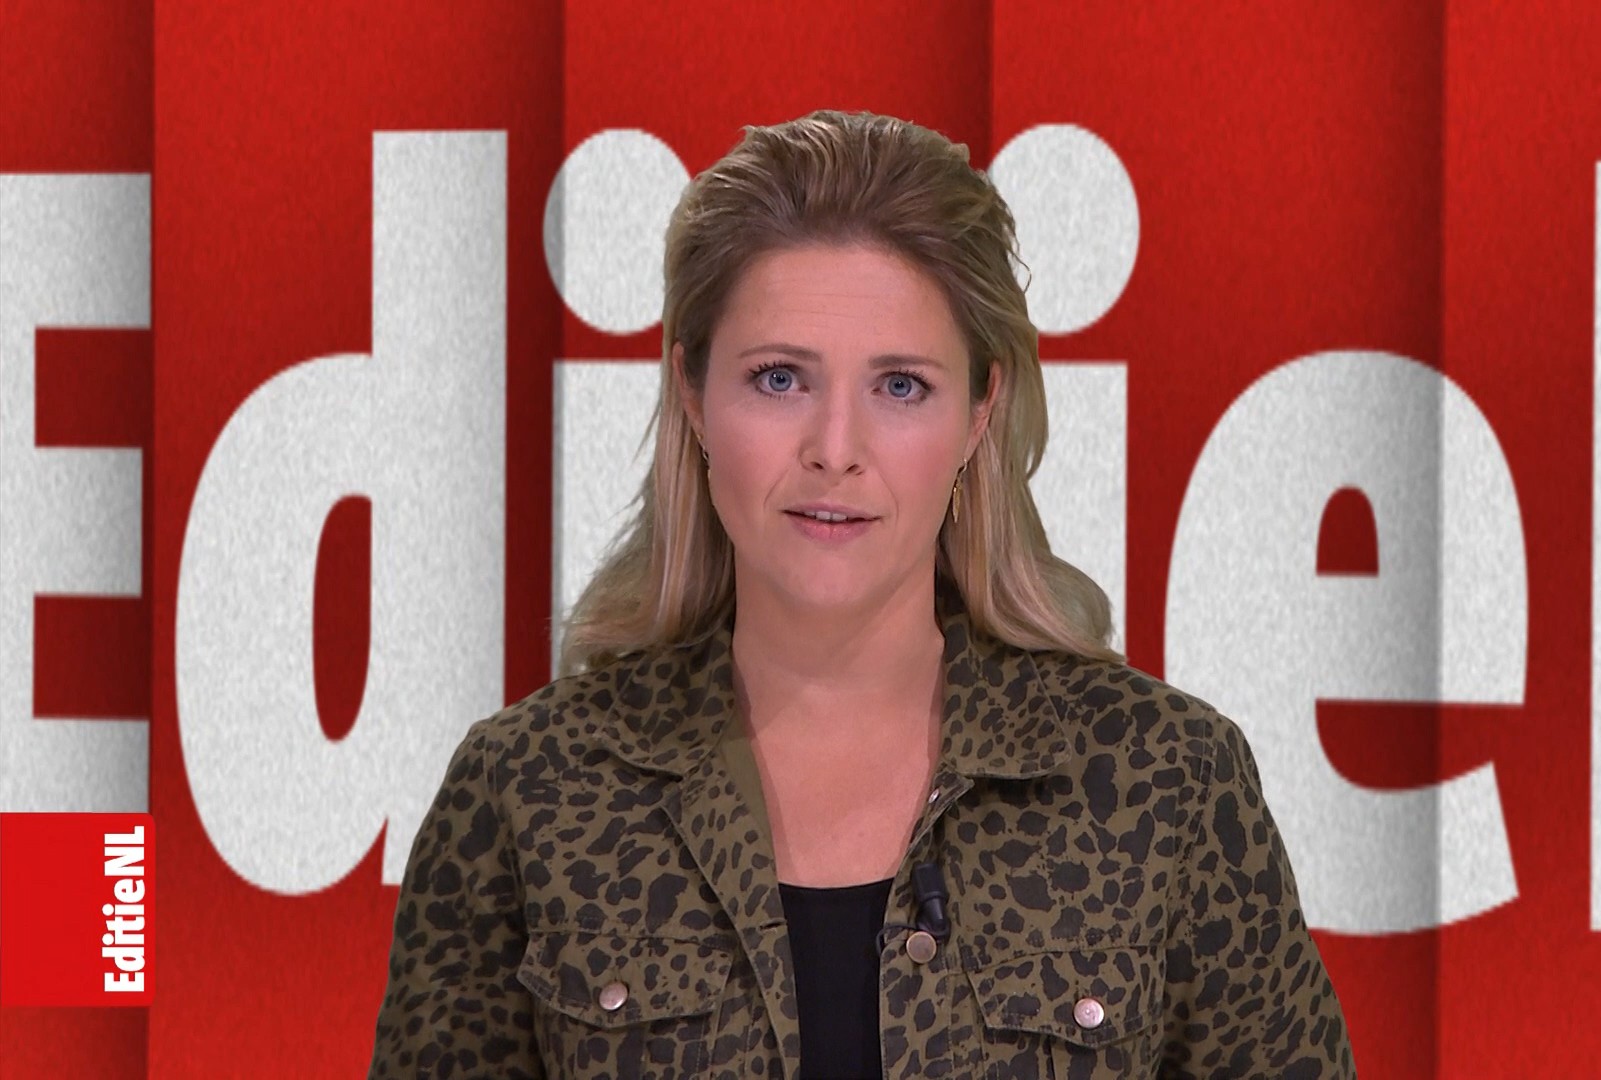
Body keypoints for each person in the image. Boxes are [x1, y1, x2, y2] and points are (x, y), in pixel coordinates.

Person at [368, 108, 1352, 1079]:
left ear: (980, 412)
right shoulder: (527, 793)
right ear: (693, 397)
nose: (835, 449)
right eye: (779, 379)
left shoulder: (1166, 785)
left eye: (901, 387)